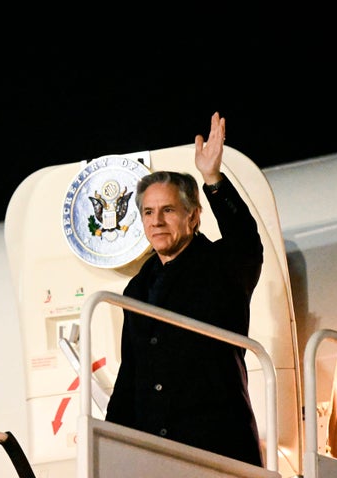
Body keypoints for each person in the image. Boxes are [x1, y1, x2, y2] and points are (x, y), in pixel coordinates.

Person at [104, 112, 265, 467]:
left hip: (216, 446)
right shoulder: (136, 288)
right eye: (148, 212)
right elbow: (131, 374)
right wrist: (110, 449)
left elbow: (246, 242)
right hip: (156, 454)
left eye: (168, 210)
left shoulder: (222, 267)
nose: (156, 221)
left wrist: (213, 179)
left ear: (193, 217)